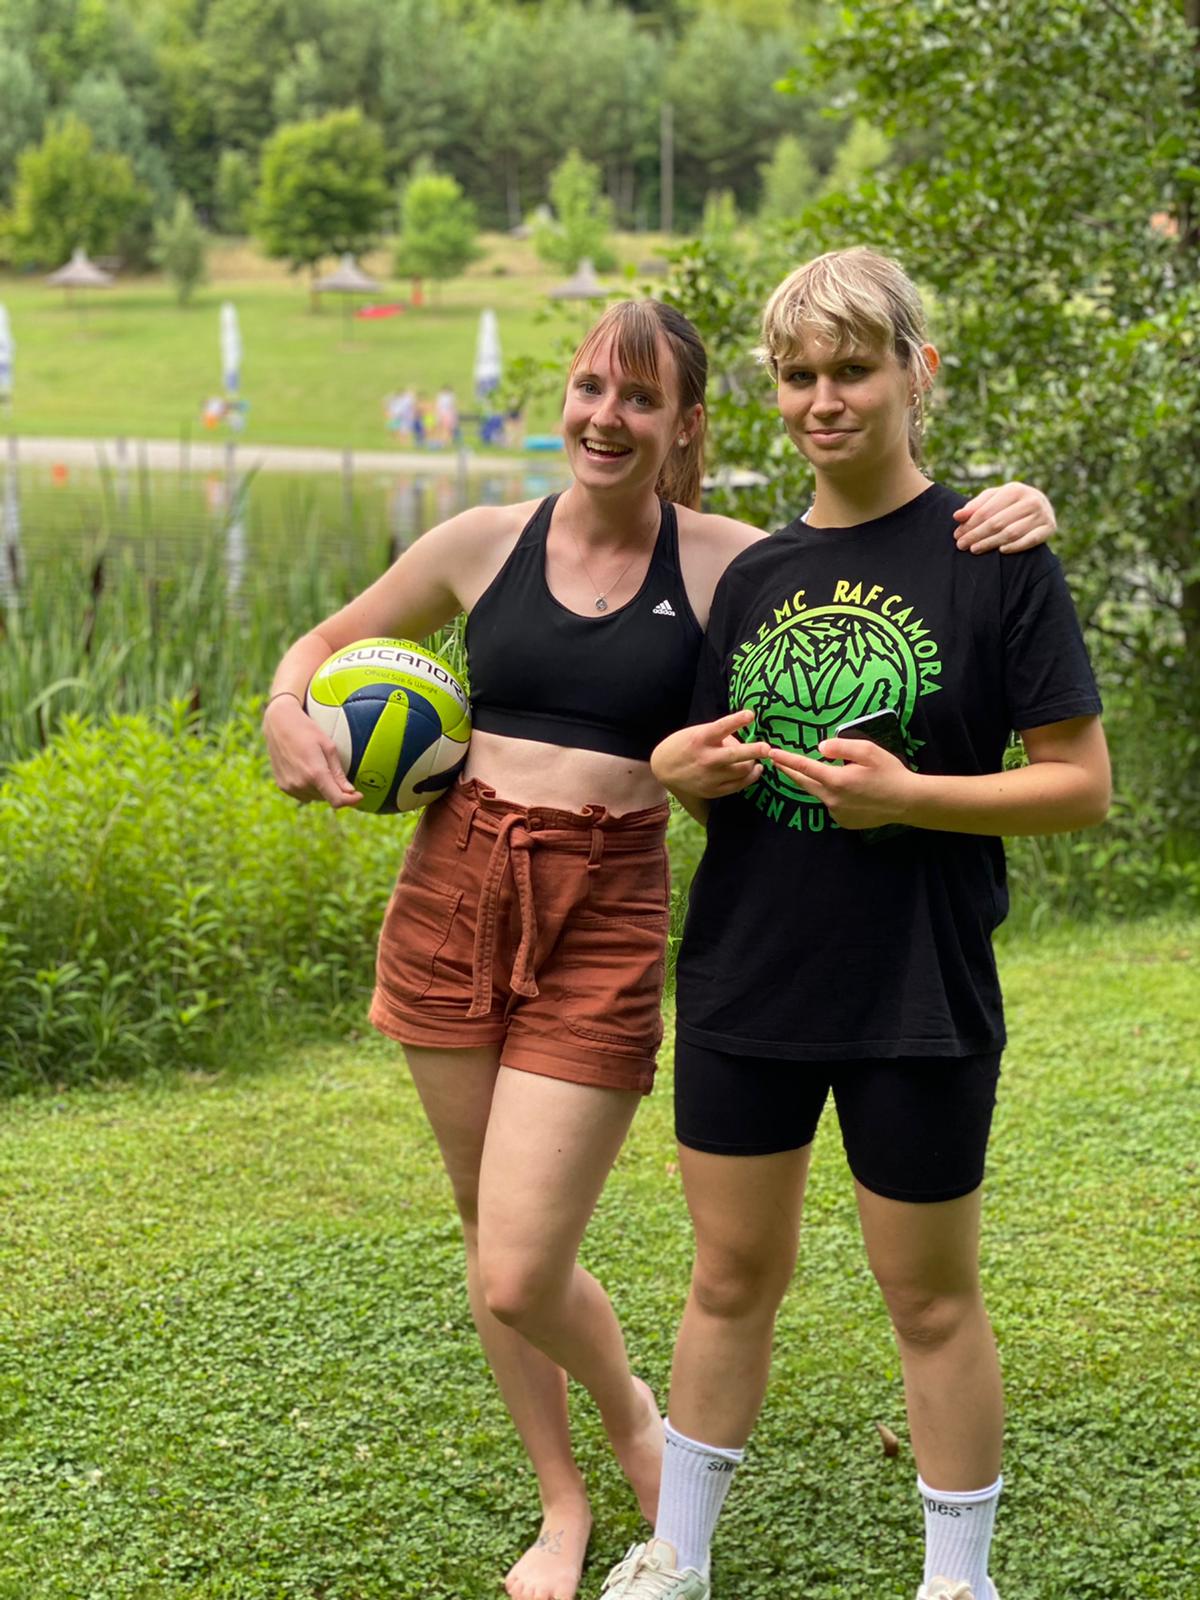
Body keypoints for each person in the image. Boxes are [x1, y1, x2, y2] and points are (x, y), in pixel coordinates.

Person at [262, 297, 1057, 1600]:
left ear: (686, 424)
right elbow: (322, 643)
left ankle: (637, 1418)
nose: (604, 417)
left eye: (640, 399)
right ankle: (564, 1500)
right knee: (488, 1243)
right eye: (588, 389)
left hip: (603, 899)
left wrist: (1021, 507)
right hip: (455, 887)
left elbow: (880, 545)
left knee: (522, 1256)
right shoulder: (481, 540)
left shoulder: (730, 562)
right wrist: (288, 707)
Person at [596, 252, 1110, 1600]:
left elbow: (1080, 784)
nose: (825, 399)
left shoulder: (996, 557)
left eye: (854, 369)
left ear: (914, 373)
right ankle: (680, 1556)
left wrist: (914, 798)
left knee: (930, 1298)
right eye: (800, 377)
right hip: (747, 981)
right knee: (728, 1279)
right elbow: (725, 770)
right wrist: (681, 772)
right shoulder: (756, 576)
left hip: (917, 992)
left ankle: (958, 1580)